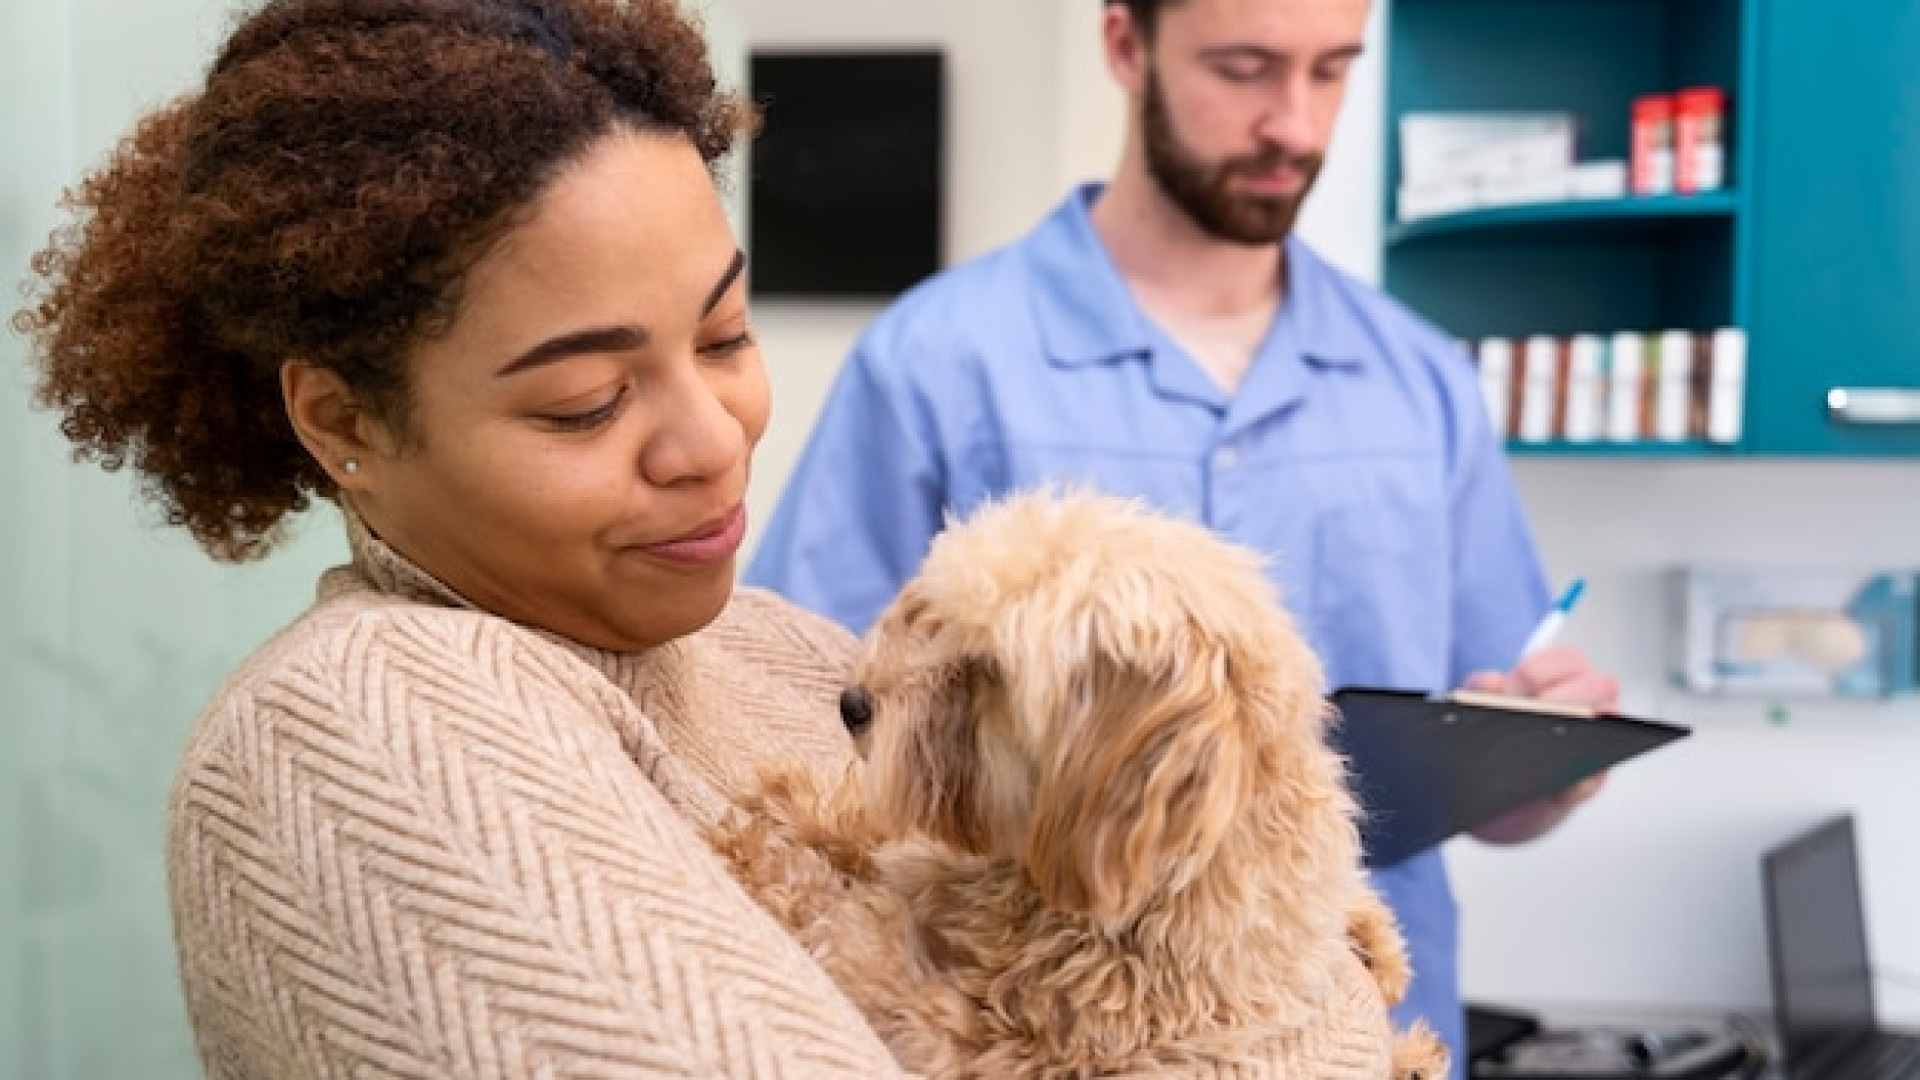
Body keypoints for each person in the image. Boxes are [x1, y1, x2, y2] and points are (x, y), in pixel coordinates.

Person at [13, 1, 912, 1075]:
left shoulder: (802, 657)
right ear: (345, 422)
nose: (714, 440)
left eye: (725, 336)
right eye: (585, 402)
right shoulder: (349, 720)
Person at [746, 0, 1621, 1074]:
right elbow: (793, 704)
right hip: (1031, 1027)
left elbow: (1495, 793)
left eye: (1330, 72)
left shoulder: (1425, 382)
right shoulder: (936, 362)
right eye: (1245, 69)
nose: (1295, 126)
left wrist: (1548, 763)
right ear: (1127, 45)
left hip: (1358, 1027)